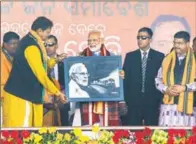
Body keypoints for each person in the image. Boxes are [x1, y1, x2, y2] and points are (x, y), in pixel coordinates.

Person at [3, 16, 67, 127]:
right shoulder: (31, 46)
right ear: (40, 31)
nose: (48, 35)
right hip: (20, 96)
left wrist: (56, 60)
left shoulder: (34, 41)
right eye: (47, 32)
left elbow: (41, 66)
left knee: (33, 131)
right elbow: (40, 74)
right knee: (22, 132)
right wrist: (57, 92)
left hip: (27, 95)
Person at [71, 30, 126, 126]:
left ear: (102, 40)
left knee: (108, 130)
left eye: (94, 40)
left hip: (108, 101)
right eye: (89, 41)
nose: (91, 43)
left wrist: (121, 75)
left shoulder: (112, 57)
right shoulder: (80, 57)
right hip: (87, 99)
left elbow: (117, 80)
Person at [123, 27, 164, 126]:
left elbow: (162, 79)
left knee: (152, 131)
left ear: (150, 40)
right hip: (133, 101)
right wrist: (124, 100)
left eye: (143, 37)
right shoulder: (130, 56)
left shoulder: (159, 57)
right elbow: (125, 80)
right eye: (138, 37)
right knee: (133, 131)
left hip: (152, 101)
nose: (140, 40)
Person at [155, 31, 196, 126]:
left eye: (180, 43)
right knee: (166, 138)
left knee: (187, 138)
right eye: (175, 43)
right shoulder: (167, 59)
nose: (176, 46)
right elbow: (158, 79)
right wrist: (166, 89)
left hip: (188, 108)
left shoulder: (194, 59)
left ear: (187, 44)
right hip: (168, 108)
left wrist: (185, 88)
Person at [44, 35, 69, 126]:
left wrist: (62, 93)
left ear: (57, 45)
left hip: (62, 97)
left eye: (50, 44)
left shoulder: (64, 61)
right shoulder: (39, 62)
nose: (47, 47)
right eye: (45, 45)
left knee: (64, 124)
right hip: (45, 100)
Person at [1, 32, 20, 126]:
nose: (16, 46)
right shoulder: (2, 57)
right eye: (13, 43)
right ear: (5, 44)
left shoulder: (13, 57)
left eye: (17, 43)